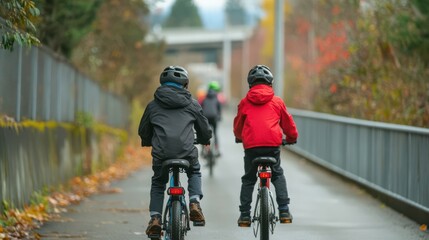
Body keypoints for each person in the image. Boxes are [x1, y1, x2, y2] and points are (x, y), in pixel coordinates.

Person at [138, 66, 212, 237]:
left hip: (161, 154)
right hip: (186, 152)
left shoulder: (153, 106)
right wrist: (204, 139)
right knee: (194, 171)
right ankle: (194, 202)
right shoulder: (192, 104)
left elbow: (143, 130)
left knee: (158, 182)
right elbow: (204, 128)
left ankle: (155, 219)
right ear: (185, 84)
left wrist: (147, 141)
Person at [233, 65, 298, 226]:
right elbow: (288, 123)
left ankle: (245, 215)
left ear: (250, 84)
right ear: (270, 83)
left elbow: (238, 126)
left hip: (252, 147)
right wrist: (291, 138)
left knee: (248, 178)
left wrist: (239, 137)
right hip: (272, 145)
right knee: (277, 174)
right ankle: (284, 210)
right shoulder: (277, 101)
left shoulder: (245, 102)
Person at [201, 81, 222, 156]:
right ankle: (217, 150)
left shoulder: (204, 98)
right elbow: (219, 109)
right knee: (215, 133)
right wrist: (219, 117)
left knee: (205, 133)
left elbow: (201, 107)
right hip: (214, 117)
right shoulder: (216, 98)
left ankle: (204, 150)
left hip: (205, 117)